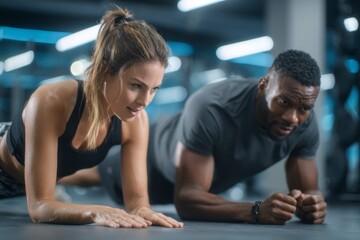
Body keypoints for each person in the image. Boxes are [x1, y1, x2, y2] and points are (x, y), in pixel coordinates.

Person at [90, 49, 327, 225]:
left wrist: (313, 205)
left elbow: (309, 192)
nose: (293, 118)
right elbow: (186, 199)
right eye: (283, 102)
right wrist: (256, 211)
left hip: (199, 189)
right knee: (86, 172)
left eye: (304, 108)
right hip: (153, 158)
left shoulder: (304, 124)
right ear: (264, 85)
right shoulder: (213, 106)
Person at [0, 7, 183, 228]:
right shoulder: (51, 101)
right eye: (136, 85)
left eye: (154, 89)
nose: (145, 100)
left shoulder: (137, 121)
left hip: (21, 186)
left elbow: (136, 203)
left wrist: (143, 211)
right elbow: (39, 206)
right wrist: (95, 212)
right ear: (105, 71)